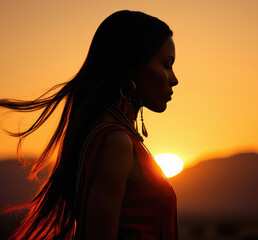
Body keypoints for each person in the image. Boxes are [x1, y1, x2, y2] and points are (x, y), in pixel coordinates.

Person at [0, 10, 178, 239]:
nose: (174, 79)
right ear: (132, 65)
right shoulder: (114, 141)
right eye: (167, 64)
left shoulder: (115, 136)